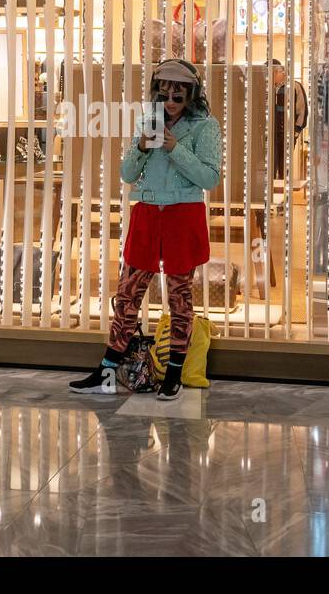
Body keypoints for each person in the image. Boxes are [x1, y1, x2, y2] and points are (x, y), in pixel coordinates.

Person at [69, 58, 222, 401]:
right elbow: (126, 174)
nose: (169, 102)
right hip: (148, 213)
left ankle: (174, 375)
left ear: (191, 95)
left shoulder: (205, 127)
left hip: (183, 213)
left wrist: (173, 148)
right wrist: (141, 146)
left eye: (177, 97)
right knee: (127, 296)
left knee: (180, 297)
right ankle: (107, 369)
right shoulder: (148, 120)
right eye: (163, 94)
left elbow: (210, 178)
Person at [271, 59, 308, 179]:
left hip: (287, 132)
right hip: (271, 133)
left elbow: (302, 110)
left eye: (272, 72)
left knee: (284, 163)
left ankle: (282, 190)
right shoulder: (266, 87)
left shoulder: (295, 87)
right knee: (270, 163)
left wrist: (296, 131)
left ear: (279, 72)